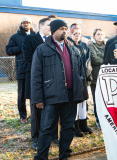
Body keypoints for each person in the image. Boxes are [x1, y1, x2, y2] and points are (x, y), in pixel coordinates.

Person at [31, 19, 88, 160]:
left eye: (65, 28)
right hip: (51, 96)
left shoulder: (73, 49)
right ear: (53, 31)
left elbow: (81, 73)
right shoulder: (42, 49)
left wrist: (82, 94)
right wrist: (38, 99)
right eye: (61, 28)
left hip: (70, 95)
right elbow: (36, 76)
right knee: (47, 128)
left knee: (68, 127)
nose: (64, 31)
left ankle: (64, 155)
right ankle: (41, 157)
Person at [23, 17, 59, 150]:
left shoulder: (54, 41)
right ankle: (36, 138)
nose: (51, 28)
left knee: (53, 109)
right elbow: (28, 57)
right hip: (36, 80)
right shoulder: (30, 39)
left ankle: (54, 136)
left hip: (52, 82)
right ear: (40, 26)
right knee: (37, 112)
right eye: (49, 25)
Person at [6, 16, 35, 124]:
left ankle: (34, 114)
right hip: (22, 69)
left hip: (34, 69)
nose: (26, 24)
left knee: (34, 92)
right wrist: (19, 48)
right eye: (24, 22)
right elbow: (8, 50)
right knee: (22, 94)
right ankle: (23, 115)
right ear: (21, 24)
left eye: (28, 22)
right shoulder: (15, 37)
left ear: (31, 24)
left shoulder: (35, 36)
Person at [67, 23, 93, 137]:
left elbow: (87, 61)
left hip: (84, 78)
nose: (77, 35)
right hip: (75, 78)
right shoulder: (68, 45)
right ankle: (76, 126)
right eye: (75, 33)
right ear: (70, 33)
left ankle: (83, 124)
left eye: (79, 34)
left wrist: (88, 74)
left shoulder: (84, 45)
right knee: (76, 103)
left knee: (83, 102)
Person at [88, 28, 106, 129]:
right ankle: (98, 119)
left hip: (106, 76)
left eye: (101, 34)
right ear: (94, 35)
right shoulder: (91, 44)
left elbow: (110, 56)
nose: (100, 36)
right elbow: (94, 59)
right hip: (95, 77)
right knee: (97, 99)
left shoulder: (106, 44)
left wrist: (104, 58)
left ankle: (105, 119)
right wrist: (105, 59)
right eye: (98, 34)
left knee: (105, 99)